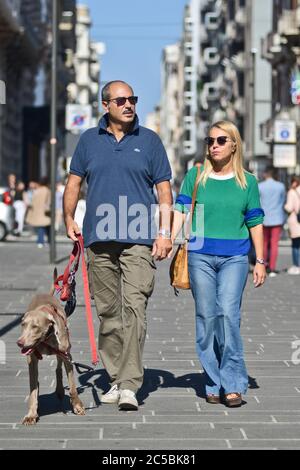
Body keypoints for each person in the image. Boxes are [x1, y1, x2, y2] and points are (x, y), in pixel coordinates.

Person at [63, 80, 173, 411]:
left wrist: (165, 232)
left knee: (135, 308)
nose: (129, 105)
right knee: (109, 313)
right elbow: (73, 183)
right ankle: (115, 377)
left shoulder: (150, 141)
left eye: (133, 99)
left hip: (139, 239)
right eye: (121, 100)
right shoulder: (88, 141)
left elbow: (164, 191)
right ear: (105, 105)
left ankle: (129, 384)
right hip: (98, 239)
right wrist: (68, 218)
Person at [170, 120, 265, 407]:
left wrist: (260, 260)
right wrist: (167, 238)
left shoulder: (247, 181)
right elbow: (181, 208)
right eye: (210, 140)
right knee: (206, 317)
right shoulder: (196, 175)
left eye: (221, 140)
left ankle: (233, 383)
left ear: (234, 144)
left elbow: (255, 221)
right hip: (199, 255)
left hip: (235, 257)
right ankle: (213, 380)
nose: (214, 145)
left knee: (228, 315)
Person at [258, 167, 286, 277]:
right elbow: (282, 201)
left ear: (265, 174)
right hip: (277, 217)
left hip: (264, 218)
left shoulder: (260, 186)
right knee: (274, 244)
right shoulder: (281, 186)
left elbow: (258, 202)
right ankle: (272, 268)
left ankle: (263, 265)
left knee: (264, 243)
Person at [25, 177, 51, 248]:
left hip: (37, 211)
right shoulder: (47, 190)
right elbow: (49, 201)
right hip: (45, 211)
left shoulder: (37, 191)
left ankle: (40, 241)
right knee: (46, 227)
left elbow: (32, 201)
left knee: (41, 226)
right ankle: (45, 241)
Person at [284, 176, 300, 275]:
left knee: (295, 244)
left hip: (295, 221)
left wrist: (284, 206)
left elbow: (289, 208)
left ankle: (296, 266)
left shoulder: (292, 192)